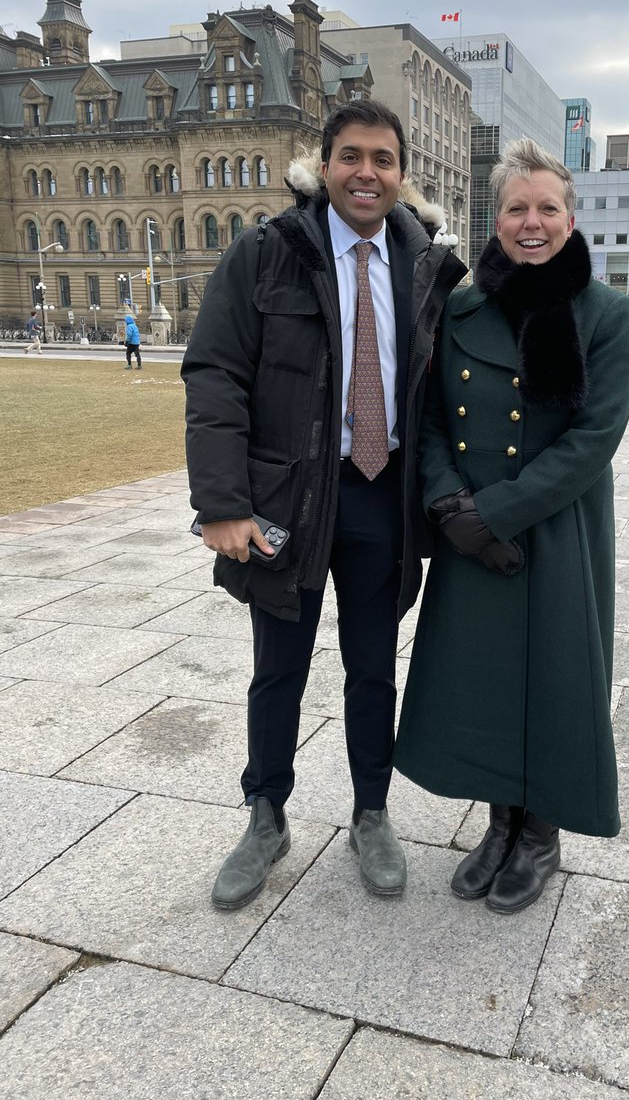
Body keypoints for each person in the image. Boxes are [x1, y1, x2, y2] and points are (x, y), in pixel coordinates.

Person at [182, 99, 465, 910]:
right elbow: (215, 375)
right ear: (325, 165)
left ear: (402, 173)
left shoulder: (427, 266)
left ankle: (371, 815)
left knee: (374, 672)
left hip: (383, 498)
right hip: (288, 500)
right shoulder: (268, 254)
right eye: (350, 157)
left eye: (382, 158)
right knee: (279, 669)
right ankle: (266, 815)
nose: (366, 173)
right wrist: (223, 504)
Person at [393, 138, 629, 914]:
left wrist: (491, 514)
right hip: (469, 529)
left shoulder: (609, 314)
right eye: (515, 209)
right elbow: (431, 423)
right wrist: (449, 507)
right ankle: (500, 823)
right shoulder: (463, 306)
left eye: (546, 208)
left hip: (556, 531)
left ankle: (541, 833)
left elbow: (593, 441)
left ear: (570, 217)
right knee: (485, 682)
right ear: (495, 218)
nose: (530, 222)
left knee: (556, 681)